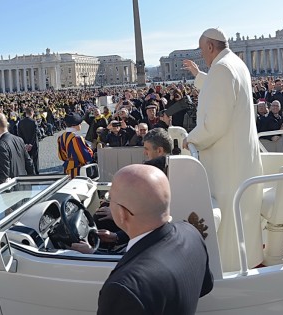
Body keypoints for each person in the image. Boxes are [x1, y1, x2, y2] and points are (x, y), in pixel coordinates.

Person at [182, 27, 264, 270]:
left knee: (229, 224)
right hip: (240, 160)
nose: (201, 55)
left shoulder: (222, 69)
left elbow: (215, 124)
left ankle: (230, 271)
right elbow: (221, 90)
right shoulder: (235, 64)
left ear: (209, 47)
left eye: (201, 49)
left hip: (227, 165)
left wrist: (191, 138)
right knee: (242, 222)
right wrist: (199, 76)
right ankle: (249, 261)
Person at [96, 165, 213, 315]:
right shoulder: (191, 233)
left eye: (110, 198)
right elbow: (205, 287)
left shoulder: (123, 289)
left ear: (122, 213)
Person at [0, 112, 35, 187]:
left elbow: (3, 177)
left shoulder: (0, 146)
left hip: (13, 192)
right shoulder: (19, 139)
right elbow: (29, 164)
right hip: (25, 186)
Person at [57, 113, 94, 177]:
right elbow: (85, 156)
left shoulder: (61, 137)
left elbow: (61, 156)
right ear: (74, 125)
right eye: (79, 124)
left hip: (67, 166)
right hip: (77, 168)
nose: (80, 125)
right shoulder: (77, 138)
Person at [17, 108, 41, 174]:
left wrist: (25, 144)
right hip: (34, 144)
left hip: (25, 145)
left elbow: (19, 134)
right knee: (35, 160)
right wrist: (31, 144)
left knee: (27, 160)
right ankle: (36, 173)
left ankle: (29, 173)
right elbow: (35, 134)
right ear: (32, 113)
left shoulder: (20, 122)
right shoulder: (33, 122)